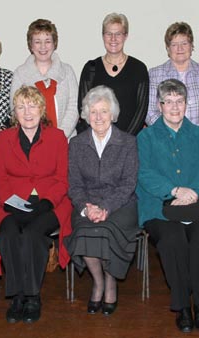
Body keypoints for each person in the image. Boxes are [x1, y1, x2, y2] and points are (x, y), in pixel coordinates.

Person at [136, 79, 199, 333]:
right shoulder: (146, 137)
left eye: (179, 101)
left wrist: (194, 192)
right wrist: (173, 190)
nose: (174, 107)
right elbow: (142, 172)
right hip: (159, 207)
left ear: (186, 104)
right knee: (172, 239)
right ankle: (183, 306)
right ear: (160, 105)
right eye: (169, 102)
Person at [0, 86, 72, 324]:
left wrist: (45, 203)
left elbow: (63, 180)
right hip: (10, 202)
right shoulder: (3, 138)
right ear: (15, 112)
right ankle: (17, 296)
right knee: (9, 233)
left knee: (33, 234)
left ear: (42, 109)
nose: (27, 112)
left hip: (49, 203)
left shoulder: (58, 137)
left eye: (32, 105)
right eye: (21, 107)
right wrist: (9, 203)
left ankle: (32, 296)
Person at [65, 85, 138, 316]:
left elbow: (128, 184)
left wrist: (106, 207)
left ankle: (111, 281)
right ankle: (97, 281)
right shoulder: (76, 145)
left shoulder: (128, 142)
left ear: (113, 114)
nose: (98, 117)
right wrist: (87, 208)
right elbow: (74, 185)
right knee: (87, 230)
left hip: (120, 203)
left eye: (104, 111)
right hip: (86, 204)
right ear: (86, 115)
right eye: (93, 111)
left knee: (105, 231)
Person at [77, 13, 148, 135]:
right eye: (109, 34)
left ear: (125, 36)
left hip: (129, 143)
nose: (113, 39)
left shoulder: (138, 68)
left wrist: (125, 141)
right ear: (103, 36)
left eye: (118, 34)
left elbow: (141, 111)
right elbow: (83, 109)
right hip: (97, 143)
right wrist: (99, 140)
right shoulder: (90, 68)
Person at [145, 22, 199, 131]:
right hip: (165, 141)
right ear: (168, 48)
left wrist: (195, 132)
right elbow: (149, 111)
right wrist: (169, 132)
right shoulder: (154, 74)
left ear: (191, 46)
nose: (180, 48)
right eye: (174, 44)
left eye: (184, 43)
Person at [11, 19, 78, 139]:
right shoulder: (20, 74)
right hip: (31, 142)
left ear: (54, 44)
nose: (43, 47)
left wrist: (59, 137)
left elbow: (74, 107)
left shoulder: (67, 71)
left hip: (65, 140)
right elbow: (15, 108)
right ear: (31, 45)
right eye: (37, 42)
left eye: (47, 41)